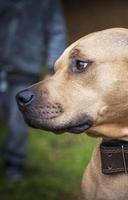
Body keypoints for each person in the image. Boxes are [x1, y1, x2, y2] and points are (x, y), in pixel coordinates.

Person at [0, 0, 67, 181]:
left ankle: (14, 163)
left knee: (17, 124)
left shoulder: (46, 3)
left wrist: (53, 70)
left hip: (25, 71)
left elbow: (56, 31)